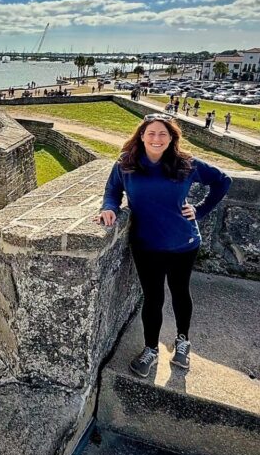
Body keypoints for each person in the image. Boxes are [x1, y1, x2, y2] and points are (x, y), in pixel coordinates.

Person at [97, 114, 232, 377]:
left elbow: (222, 181)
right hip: (146, 244)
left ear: (171, 138)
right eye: (151, 133)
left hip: (184, 242)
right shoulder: (126, 163)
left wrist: (201, 211)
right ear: (141, 136)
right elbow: (112, 190)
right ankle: (151, 349)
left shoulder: (186, 164)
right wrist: (109, 208)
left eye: (163, 134)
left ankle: (183, 341)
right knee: (153, 298)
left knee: (180, 292)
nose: (156, 139)